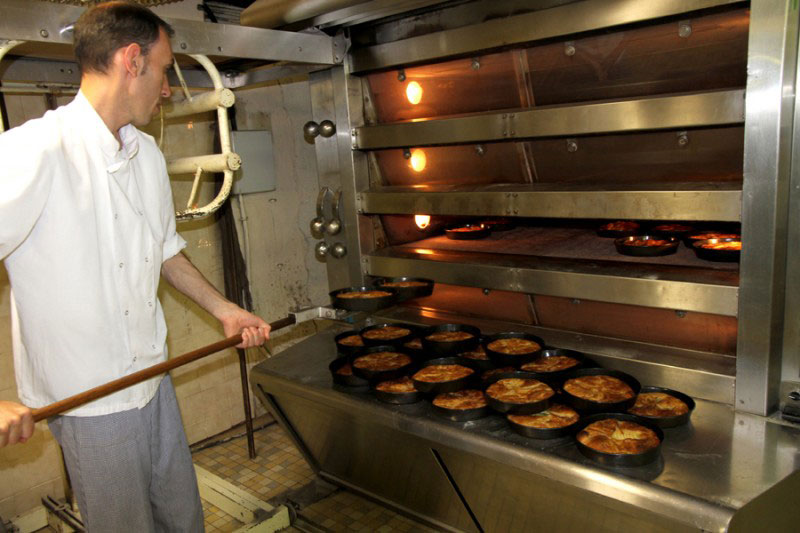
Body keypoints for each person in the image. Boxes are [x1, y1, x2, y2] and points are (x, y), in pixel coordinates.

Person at [0, 2, 270, 530]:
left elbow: (165, 250)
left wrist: (226, 310)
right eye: (165, 69)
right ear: (131, 60)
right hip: (90, 404)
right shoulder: (35, 150)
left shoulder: (145, 153)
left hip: (153, 379)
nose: (167, 87)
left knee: (183, 521)